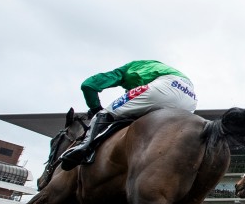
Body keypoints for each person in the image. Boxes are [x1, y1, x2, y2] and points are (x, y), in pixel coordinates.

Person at [60, 60, 197, 170]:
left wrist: (95, 108)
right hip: (190, 98)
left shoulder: (126, 71)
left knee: (104, 114)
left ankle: (83, 150)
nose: (126, 91)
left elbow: (88, 85)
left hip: (165, 86)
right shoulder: (154, 67)